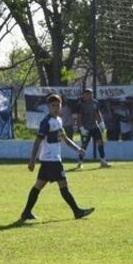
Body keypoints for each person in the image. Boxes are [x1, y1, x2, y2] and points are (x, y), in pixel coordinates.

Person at [20, 93, 94, 221]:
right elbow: (37, 141)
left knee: (38, 186)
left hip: (50, 161)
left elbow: (65, 139)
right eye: (53, 106)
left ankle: (26, 212)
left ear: (61, 106)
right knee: (63, 185)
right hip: (51, 161)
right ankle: (77, 211)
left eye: (58, 105)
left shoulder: (58, 120)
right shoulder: (46, 122)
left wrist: (78, 149)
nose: (56, 108)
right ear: (49, 107)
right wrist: (32, 160)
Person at [77, 89, 111, 168]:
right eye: (86, 94)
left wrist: (101, 123)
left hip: (94, 126)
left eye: (90, 94)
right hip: (86, 127)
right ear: (84, 95)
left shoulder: (95, 103)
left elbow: (98, 113)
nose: (88, 96)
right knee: (84, 145)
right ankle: (80, 162)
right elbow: (79, 117)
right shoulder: (81, 105)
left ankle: (103, 161)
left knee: (100, 142)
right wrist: (81, 128)